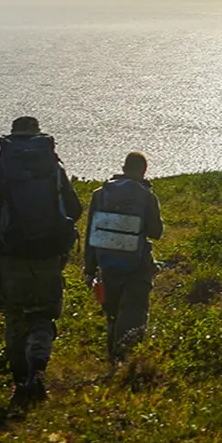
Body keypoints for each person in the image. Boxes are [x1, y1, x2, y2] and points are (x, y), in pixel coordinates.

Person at [0, 116, 82, 404]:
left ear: (12, 136)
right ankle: (37, 370)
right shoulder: (54, 168)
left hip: (11, 256)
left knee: (15, 317)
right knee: (43, 315)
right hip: (48, 255)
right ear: (39, 135)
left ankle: (20, 382)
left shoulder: (1, 167)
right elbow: (75, 209)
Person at [83, 152, 163, 364]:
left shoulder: (99, 194)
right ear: (144, 170)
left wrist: (89, 269)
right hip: (137, 265)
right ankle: (126, 361)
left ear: (123, 167)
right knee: (134, 311)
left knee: (112, 313)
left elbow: (91, 234)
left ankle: (112, 357)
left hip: (106, 264)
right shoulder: (146, 196)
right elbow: (156, 232)